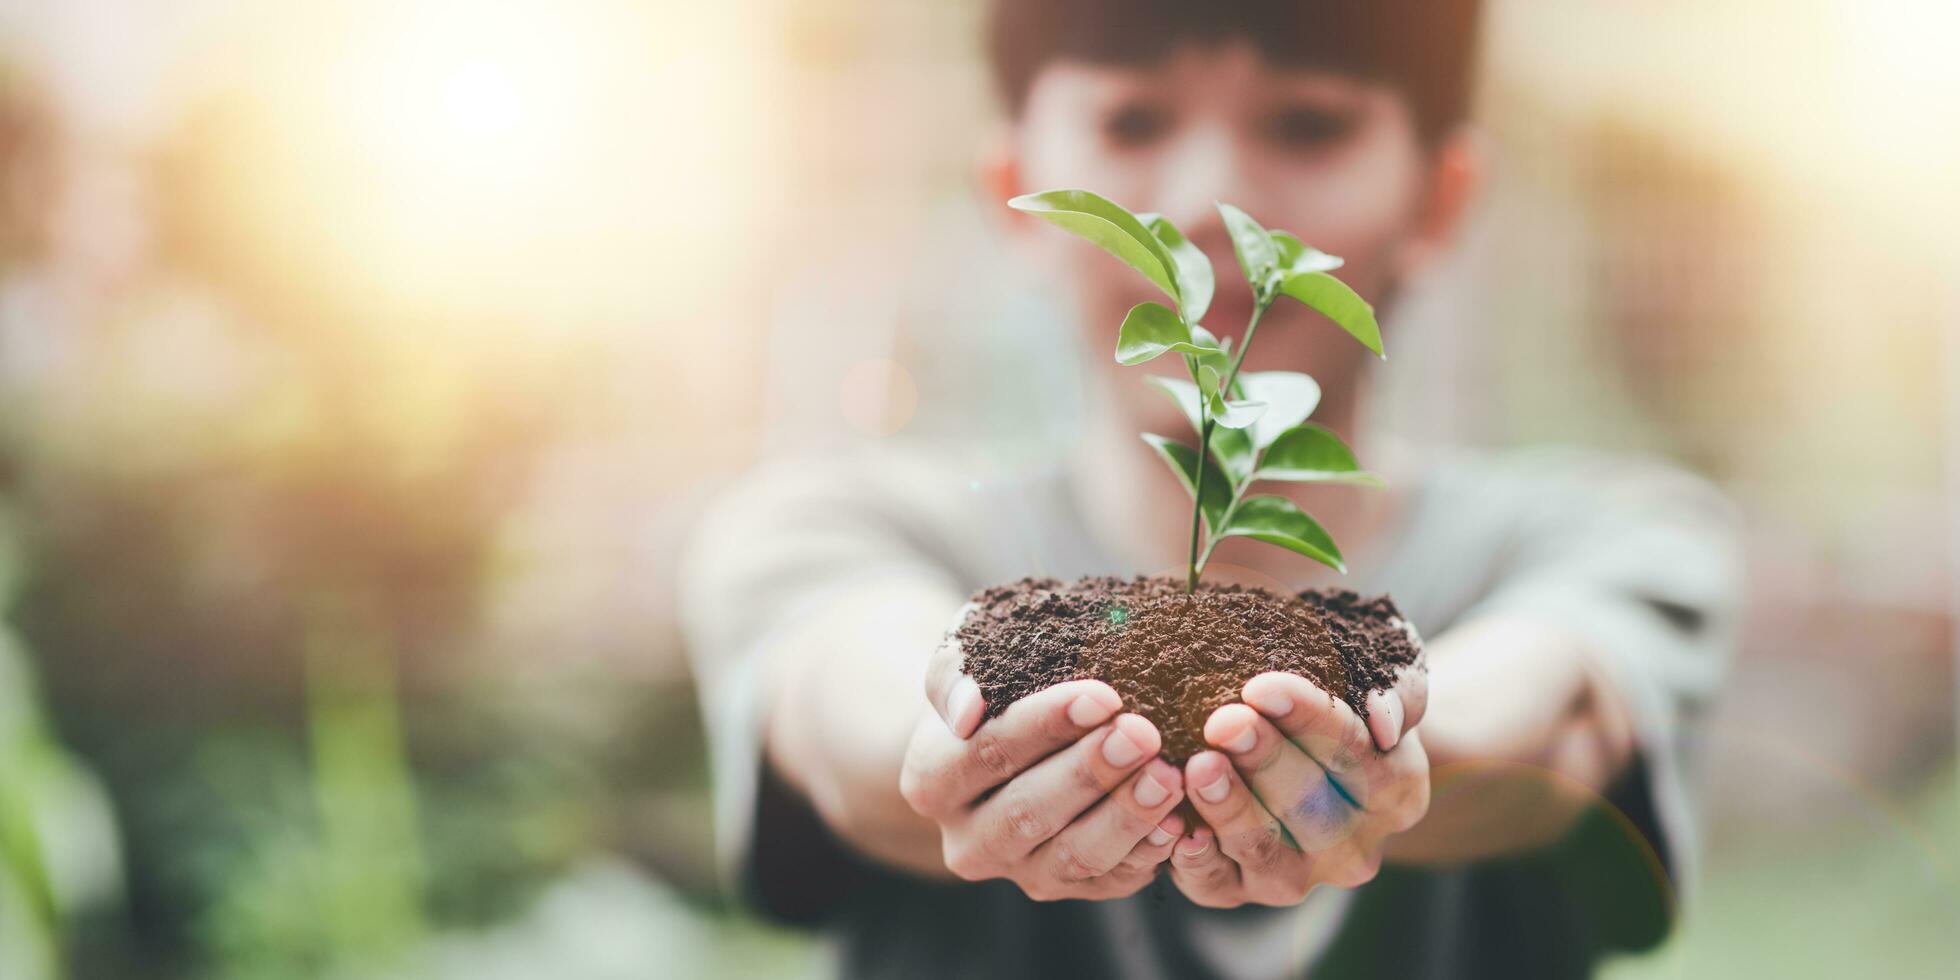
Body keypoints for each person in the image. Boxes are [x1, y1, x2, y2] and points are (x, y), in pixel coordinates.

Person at [679, 1, 1742, 976]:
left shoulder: (1608, 532)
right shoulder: (832, 523)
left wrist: (1378, 748)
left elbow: (1555, 715)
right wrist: (963, 743)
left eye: (1307, 124)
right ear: (1014, 193)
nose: (1205, 204)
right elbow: (842, 699)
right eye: (1132, 122)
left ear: (1438, 195)